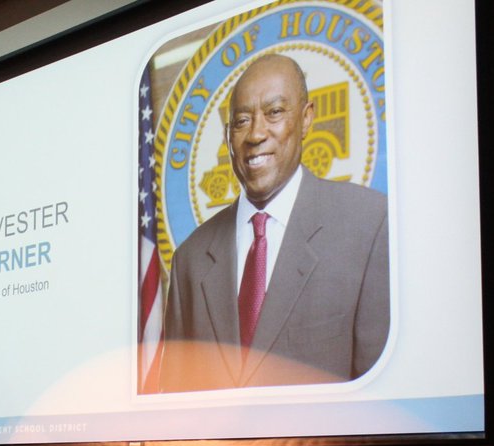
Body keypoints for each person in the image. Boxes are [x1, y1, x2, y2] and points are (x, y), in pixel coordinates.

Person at [159, 53, 389, 392]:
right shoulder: (189, 260)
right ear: (227, 137)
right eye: (241, 121)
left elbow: (382, 404)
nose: (256, 134)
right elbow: (175, 411)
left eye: (275, 113)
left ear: (307, 118)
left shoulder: (368, 224)